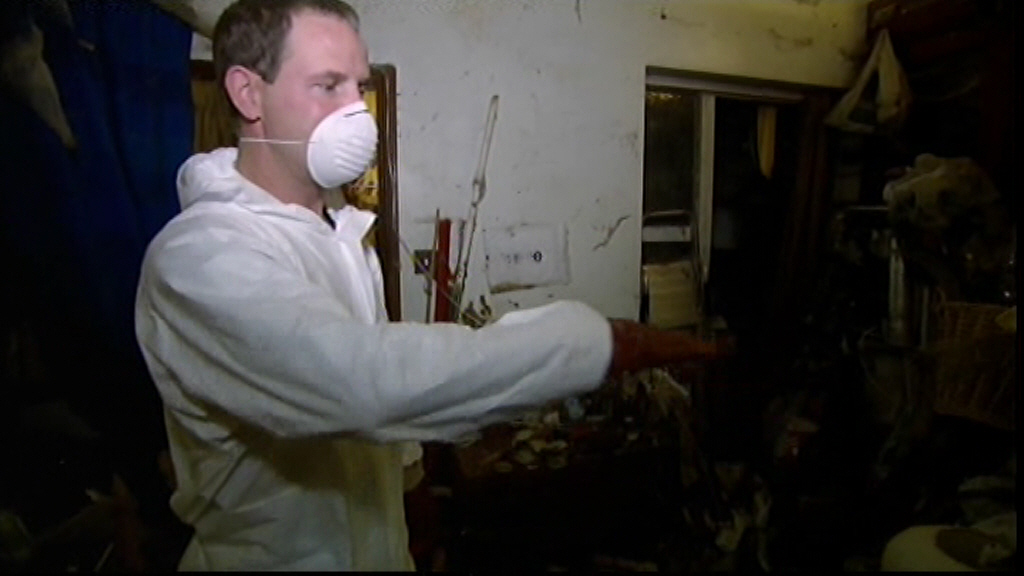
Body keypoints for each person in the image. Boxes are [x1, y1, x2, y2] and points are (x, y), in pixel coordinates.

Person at [134, 0, 728, 570]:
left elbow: (382, 393)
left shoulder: (341, 236)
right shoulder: (199, 257)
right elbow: (360, 382)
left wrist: (412, 487)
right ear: (247, 93)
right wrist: (600, 343)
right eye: (328, 86)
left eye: (358, 86)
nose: (357, 113)